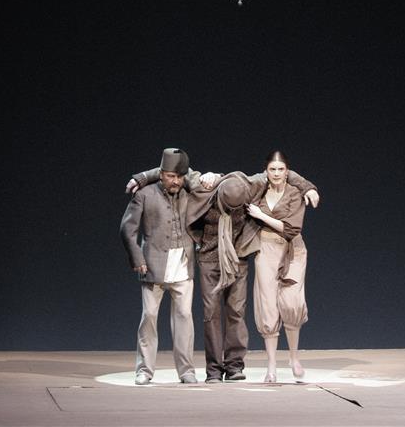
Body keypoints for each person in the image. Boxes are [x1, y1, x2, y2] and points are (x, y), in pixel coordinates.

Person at [126, 161, 319, 384]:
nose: (233, 213)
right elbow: (175, 170)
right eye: (229, 208)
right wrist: (142, 177)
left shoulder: (251, 185)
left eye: (238, 209)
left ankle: (235, 366)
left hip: (238, 258)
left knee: (236, 312)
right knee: (211, 315)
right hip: (209, 258)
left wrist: (308, 187)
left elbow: (279, 171)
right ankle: (214, 370)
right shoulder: (204, 187)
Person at [119, 148, 198, 385]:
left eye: (179, 176)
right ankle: (144, 369)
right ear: (161, 174)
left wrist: (145, 174)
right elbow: (127, 229)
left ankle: (186, 370)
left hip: (183, 265)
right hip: (153, 265)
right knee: (149, 318)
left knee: (185, 318)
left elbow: (196, 178)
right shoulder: (145, 194)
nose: (176, 181)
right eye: (171, 176)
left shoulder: (188, 191)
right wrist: (137, 258)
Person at [244, 150, 310, 383]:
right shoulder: (259, 190)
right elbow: (238, 183)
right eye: (272, 169)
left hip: (293, 251)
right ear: (266, 171)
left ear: (287, 171)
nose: (276, 173)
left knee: (292, 303)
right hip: (266, 249)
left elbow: (292, 229)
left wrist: (261, 216)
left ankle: (293, 358)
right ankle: (271, 365)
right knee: (268, 305)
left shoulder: (295, 193)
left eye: (281, 169)